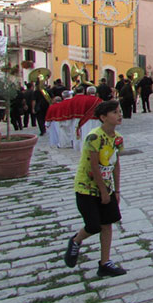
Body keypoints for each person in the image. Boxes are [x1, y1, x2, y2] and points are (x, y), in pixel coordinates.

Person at [63, 100, 127, 277]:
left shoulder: (117, 138)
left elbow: (115, 164)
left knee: (107, 224)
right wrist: (103, 192)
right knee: (93, 225)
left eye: (119, 111)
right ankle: (76, 241)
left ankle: (105, 262)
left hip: (107, 187)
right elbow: (93, 166)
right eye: (115, 112)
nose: (119, 115)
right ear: (103, 117)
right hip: (87, 188)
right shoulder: (94, 137)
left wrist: (117, 191)